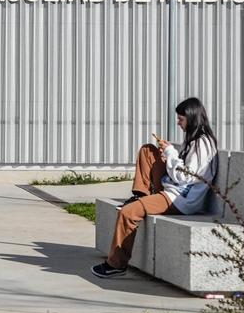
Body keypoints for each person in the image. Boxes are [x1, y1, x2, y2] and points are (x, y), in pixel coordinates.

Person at [92, 96, 218, 279]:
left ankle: (116, 265)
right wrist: (168, 156)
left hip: (181, 199)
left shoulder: (202, 144)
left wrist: (170, 153)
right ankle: (141, 195)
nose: (178, 123)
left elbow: (185, 176)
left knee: (128, 213)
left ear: (192, 118)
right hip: (174, 189)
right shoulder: (194, 140)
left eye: (181, 119)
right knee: (148, 151)